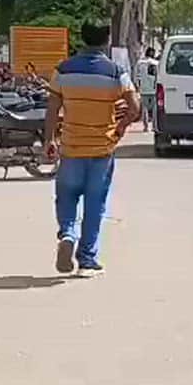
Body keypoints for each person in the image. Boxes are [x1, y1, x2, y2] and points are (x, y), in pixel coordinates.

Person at [44, 25, 139, 276]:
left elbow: (52, 109)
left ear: (82, 38)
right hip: (101, 150)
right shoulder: (116, 72)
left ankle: (67, 233)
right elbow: (135, 106)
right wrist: (119, 129)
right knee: (95, 204)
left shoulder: (63, 70)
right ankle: (86, 259)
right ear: (107, 40)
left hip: (71, 148)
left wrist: (49, 141)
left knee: (66, 196)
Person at [134, 47, 158, 132]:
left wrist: (137, 86)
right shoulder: (156, 63)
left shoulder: (140, 63)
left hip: (143, 89)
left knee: (144, 108)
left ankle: (146, 127)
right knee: (155, 109)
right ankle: (154, 126)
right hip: (154, 89)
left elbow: (136, 76)